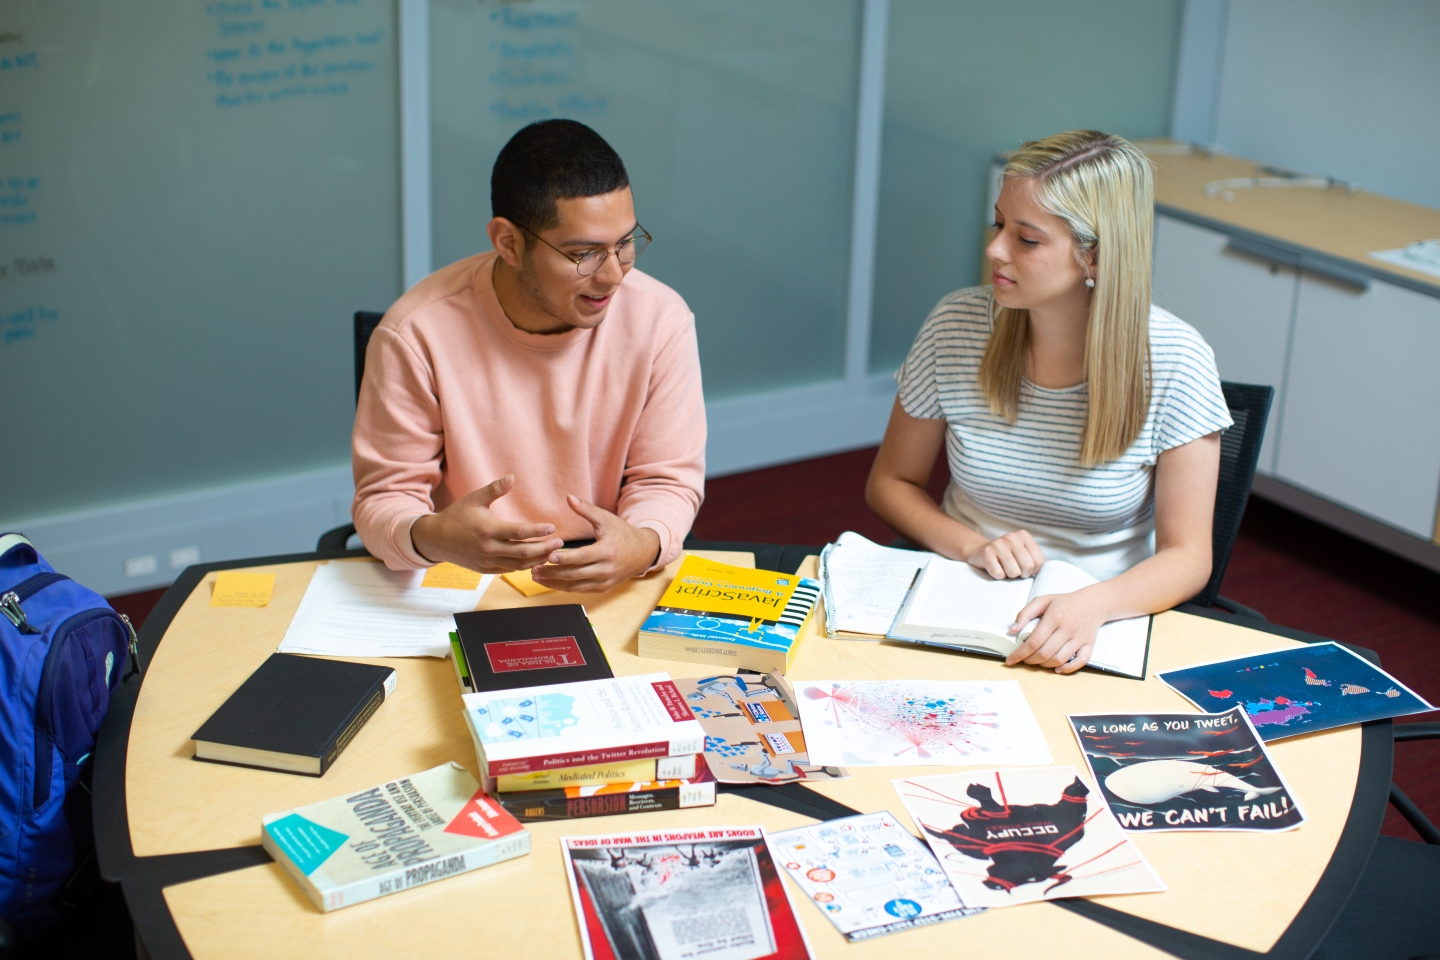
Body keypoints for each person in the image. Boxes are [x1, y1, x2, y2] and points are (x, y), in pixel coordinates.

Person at [865, 130, 1232, 673]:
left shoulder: (1176, 360)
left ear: (1097, 257)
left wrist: (1095, 605)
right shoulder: (956, 324)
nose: (994, 249)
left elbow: (1188, 557)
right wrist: (970, 546)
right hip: (962, 595)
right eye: (999, 224)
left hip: (1101, 617)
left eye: (1027, 239)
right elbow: (890, 484)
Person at [352, 119, 705, 592]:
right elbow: (384, 499)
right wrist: (432, 535)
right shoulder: (414, 333)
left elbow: (667, 482)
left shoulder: (661, 320)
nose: (614, 277)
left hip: (606, 569)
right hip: (461, 570)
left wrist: (643, 544)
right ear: (509, 243)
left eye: (624, 244)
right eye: (584, 254)